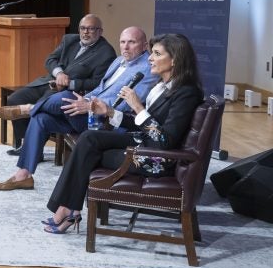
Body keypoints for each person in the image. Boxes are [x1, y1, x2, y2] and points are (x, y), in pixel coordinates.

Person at [44, 34, 205, 234]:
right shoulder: (163, 87)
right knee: (89, 138)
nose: (150, 59)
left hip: (158, 159)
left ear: (174, 60)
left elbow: (165, 140)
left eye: (156, 54)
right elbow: (145, 125)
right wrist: (110, 112)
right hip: (145, 144)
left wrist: (138, 107)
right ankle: (69, 209)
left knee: (87, 153)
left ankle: (67, 210)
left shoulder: (186, 92)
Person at [0, 27, 158, 191]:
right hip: (86, 114)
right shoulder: (119, 60)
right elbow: (100, 89)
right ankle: (23, 175)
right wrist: (84, 100)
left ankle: (28, 109)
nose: (125, 46)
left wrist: (90, 106)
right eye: (123, 42)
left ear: (144, 46)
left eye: (132, 42)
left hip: (106, 122)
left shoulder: (147, 70)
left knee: (65, 97)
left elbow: (127, 103)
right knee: (41, 119)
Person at [0, 14, 116, 148]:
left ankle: (33, 148)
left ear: (100, 31)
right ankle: (23, 143)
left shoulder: (106, 53)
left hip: (69, 91)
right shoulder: (69, 40)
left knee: (41, 108)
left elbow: (97, 83)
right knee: (15, 99)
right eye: (83, 28)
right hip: (48, 82)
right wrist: (59, 73)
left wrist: (69, 83)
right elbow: (50, 60)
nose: (85, 32)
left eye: (91, 29)